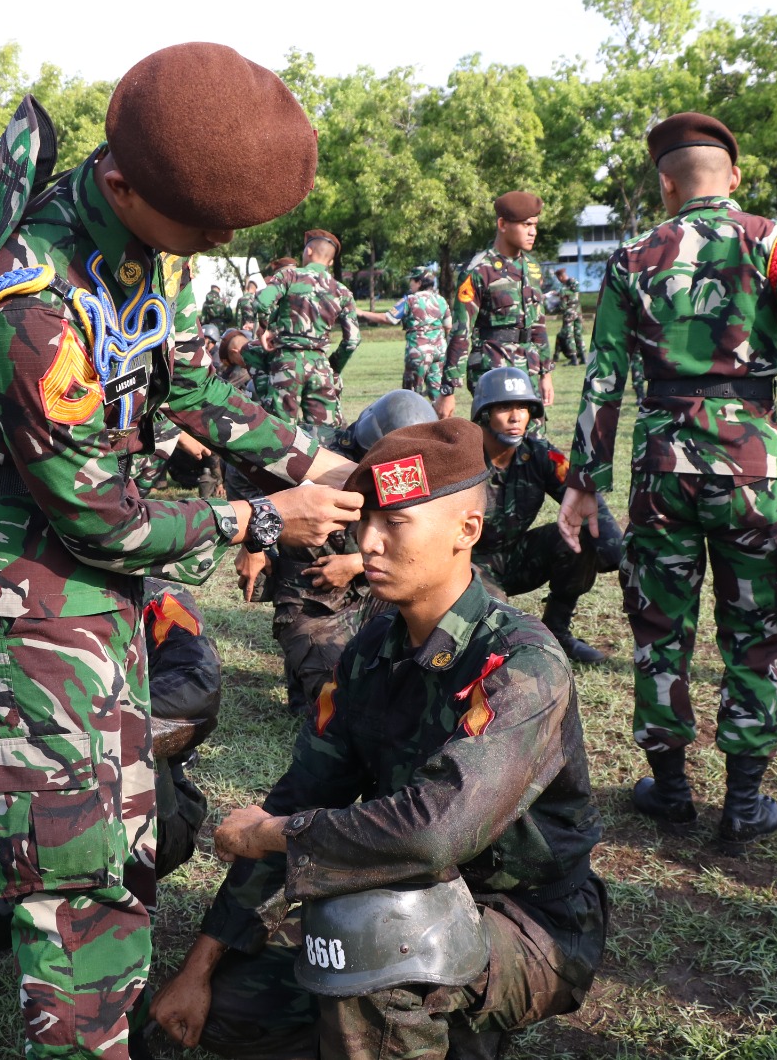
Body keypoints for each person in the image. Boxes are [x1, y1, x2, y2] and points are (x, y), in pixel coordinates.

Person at [0, 43, 360, 1059]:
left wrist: (313, 457)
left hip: (90, 581)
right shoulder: (33, 314)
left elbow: (181, 385)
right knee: (73, 857)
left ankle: (102, 1005)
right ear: (120, 181)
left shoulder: (129, 246)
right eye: (205, 224)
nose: (220, 238)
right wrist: (256, 519)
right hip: (26, 584)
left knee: (120, 812)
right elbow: (102, 515)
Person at [153, 417, 606, 1059]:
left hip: (527, 917)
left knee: (370, 941)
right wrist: (199, 966)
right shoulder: (372, 649)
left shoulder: (521, 662)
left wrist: (276, 835)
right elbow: (300, 794)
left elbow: (433, 832)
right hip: (410, 896)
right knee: (230, 1011)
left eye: (396, 525)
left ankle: (442, 1017)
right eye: (366, 523)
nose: (369, 544)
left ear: (465, 532)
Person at [557, 113, 777, 852]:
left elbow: (605, 377)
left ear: (666, 184)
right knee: (758, 631)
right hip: (753, 460)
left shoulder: (631, 258)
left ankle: (672, 789)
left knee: (660, 627)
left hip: (661, 465)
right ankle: (743, 801)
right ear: (734, 179)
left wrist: (585, 480)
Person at [0, 579, 222, 964]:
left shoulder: (150, 596)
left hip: (141, 808)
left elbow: (198, 694)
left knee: (95, 955)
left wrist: (70, 739)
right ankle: (61, 908)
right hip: (42, 810)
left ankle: (104, 929)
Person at [234, 390, 437, 718]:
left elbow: (428, 537)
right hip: (310, 596)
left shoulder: (417, 471)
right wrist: (253, 542)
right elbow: (241, 463)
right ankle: (304, 674)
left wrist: (357, 562)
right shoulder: (311, 446)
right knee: (346, 710)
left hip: (375, 588)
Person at [470, 367, 621, 666]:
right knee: (490, 637)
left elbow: (582, 494)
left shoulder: (538, 453)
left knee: (579, 537)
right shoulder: (460, 457)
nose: (516, 417)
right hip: (467, 563)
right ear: (485, 414)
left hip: (516, 556)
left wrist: (614, 550)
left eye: (523, 407)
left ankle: (558, 632)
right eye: (504, 408)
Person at [438, 190, 552, 420]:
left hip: (528, 368)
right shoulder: (479, 270)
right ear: (502, 224)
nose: (533, 232)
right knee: (496, 441)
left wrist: (545, 373)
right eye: (526, 224)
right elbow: (461, 331)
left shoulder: (532, 268)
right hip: (493, 369)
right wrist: (448, 389)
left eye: (535, 225)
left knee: (534, 441)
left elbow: (538, 324)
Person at [252, 228, 362, 425]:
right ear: (329, 262)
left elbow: (262, 302)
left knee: (281, 434)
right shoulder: (343, 292)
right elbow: (353, 339)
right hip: (320, 367)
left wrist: (265, 328)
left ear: (309, 251)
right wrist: (332, 365)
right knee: (326, 436)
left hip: (287, 363)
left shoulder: (289, 276)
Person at [356, 266, 452, 401]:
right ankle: (443, 421)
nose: (410, 284)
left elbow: (389, 318)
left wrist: (362, 313)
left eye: (411, 281)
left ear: (419, 282)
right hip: (439, 351)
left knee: (411, 397)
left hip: (418, 352)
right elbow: (448, 327)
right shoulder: (441, 300)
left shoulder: (410, 300)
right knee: (437, 395)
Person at [553, 267, 586, 366]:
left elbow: (563, 305)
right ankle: (583, 357)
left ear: (561, 277)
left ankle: (574, 358)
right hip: (578, 312)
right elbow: (575, 295)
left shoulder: (564, 288)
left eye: (559, 278)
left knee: (569, 335)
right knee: (578, 334)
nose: (559, 280)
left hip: (569, 314)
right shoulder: (574, 283)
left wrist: (559, 304)